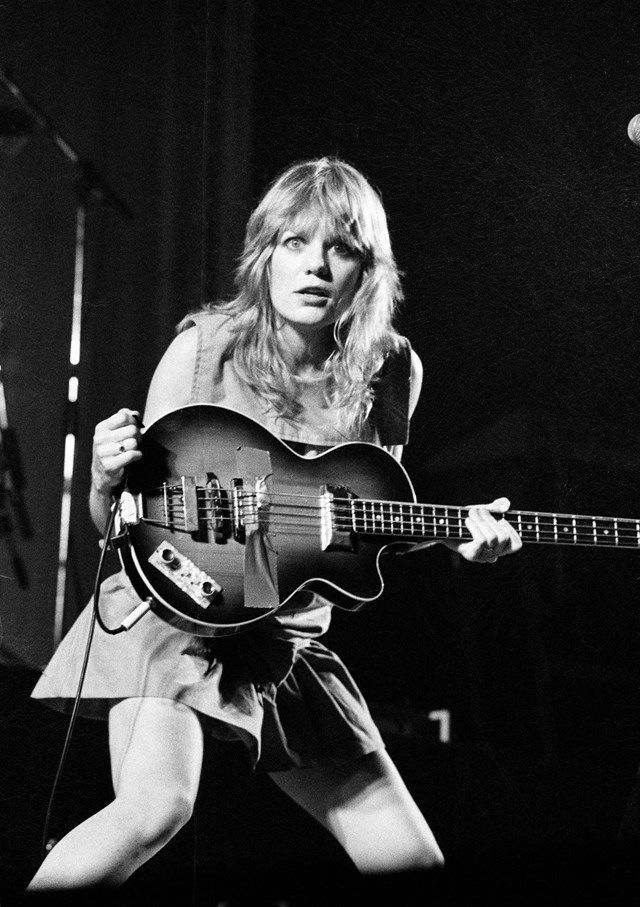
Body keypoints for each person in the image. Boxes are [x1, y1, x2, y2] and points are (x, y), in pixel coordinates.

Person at [27, 157, 522, 894]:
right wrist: (105, 480)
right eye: (295, 242)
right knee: (154, 806)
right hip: (178, 615)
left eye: (341, 247)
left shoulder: (392, 370)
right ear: (264, 253)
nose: (316, 265)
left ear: (369, 268)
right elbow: (128, 533)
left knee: (410, 861)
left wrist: (455, 534)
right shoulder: (204, 348)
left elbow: (357, 516)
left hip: (284, 635)